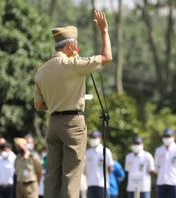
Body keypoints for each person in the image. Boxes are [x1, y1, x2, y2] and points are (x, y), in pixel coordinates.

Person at [34, 9, 112, 197]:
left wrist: (58, 100)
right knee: (71, 175)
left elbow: (39, 105)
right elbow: (107, 57)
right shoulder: (73, 65)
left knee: (52, 175)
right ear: (70, 46)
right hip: (73, 124)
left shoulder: (41, 71)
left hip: (53, 124)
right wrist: (104, 31)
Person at [155, 128, 176, 198]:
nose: (166, 138)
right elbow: (157, 166)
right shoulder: (158, 150)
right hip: (161, 181)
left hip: (174, 181)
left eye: (168, 136)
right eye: (165, 136)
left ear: (173, 137)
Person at [85, 130, 114, 198]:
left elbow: (110, 168)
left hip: (102, 185)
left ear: (100, 138)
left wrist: (104, 177)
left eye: (95, 137)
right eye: (92, 137)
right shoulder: (88, 152)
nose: (93, 139)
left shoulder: (106, 151)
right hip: (90, 184)